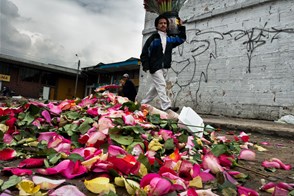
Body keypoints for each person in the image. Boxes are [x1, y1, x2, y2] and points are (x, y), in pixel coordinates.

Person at [140, 14, 186, 112]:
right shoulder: (153, 38)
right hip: (155, 66)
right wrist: (146, 65)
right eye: (161, 23)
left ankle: (142, 104)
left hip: (165, 66)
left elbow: (181, 39)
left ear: (167, 25)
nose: (163, 25)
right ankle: (166, 106)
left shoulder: (170, 38)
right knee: (161, 85)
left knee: (155, 88)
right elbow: (144, 53)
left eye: (165, 23)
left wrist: (181, 27)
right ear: (157, 26)